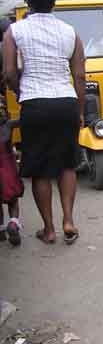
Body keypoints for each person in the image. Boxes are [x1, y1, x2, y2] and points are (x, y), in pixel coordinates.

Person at [2, 0, 86, 245]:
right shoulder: (70, 32)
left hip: (35, 104)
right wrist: (81, 111)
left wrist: (19, 89)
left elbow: (10, 72)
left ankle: (49, 229)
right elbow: (80, 77)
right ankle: (69, 221)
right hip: (66, 103)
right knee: (67, 163)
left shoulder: (15, 31)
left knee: (39, 168)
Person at [0, 17, 22, 246]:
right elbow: (10, 74)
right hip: (3, 137)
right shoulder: (5, 52)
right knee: (11, 185)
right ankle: (14, 220)